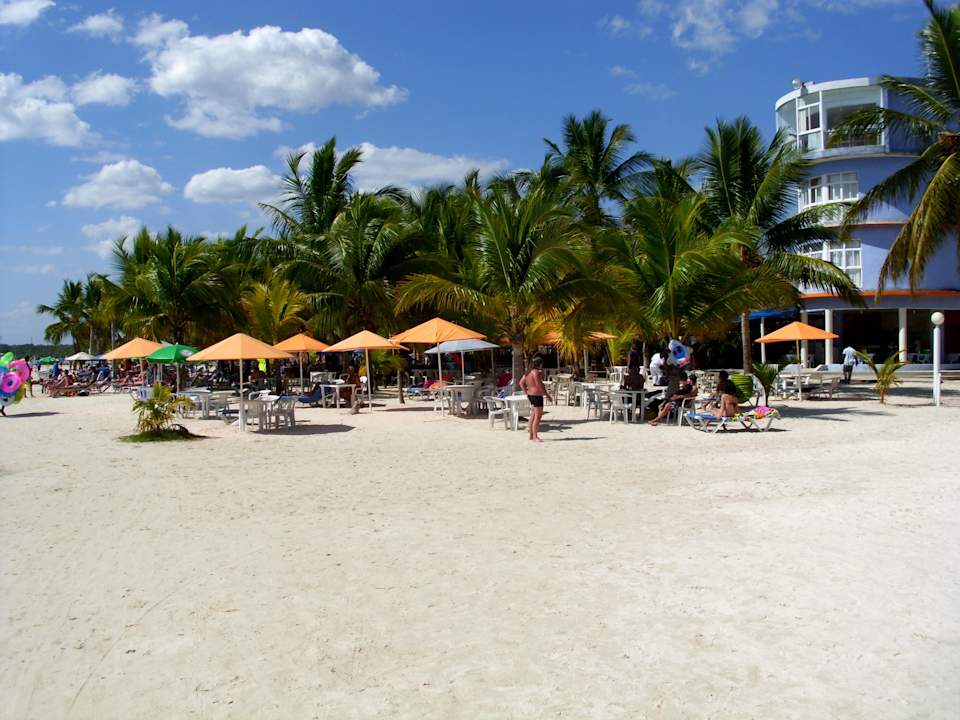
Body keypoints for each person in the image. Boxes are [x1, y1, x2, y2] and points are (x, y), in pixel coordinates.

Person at [519, 356, 552, 443]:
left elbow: (521, 383)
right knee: (538, 416)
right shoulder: (536, 372)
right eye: (542, 364)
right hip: (537, 396)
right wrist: (547, 395)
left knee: (533, 415)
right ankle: (535, 437)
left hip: (530, 395)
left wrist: (526, 393)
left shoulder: (528, 372)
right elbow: (539, 385)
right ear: (539, 364)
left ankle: (531, 435)